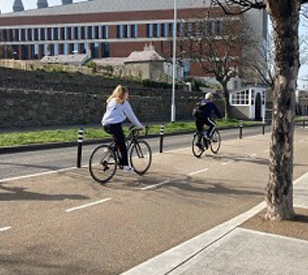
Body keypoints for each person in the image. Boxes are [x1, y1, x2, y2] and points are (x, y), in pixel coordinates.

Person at [102, 85, 144, 172]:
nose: (128, 96)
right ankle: (125, 166)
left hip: (105, 124)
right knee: (123, 146)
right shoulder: (123, 103)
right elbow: (131, 116)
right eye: (127, 94)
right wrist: (139, 126)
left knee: (119, 139)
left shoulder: (111, 100)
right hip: (114, 124)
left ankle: (110, 149)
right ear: (124, 94)